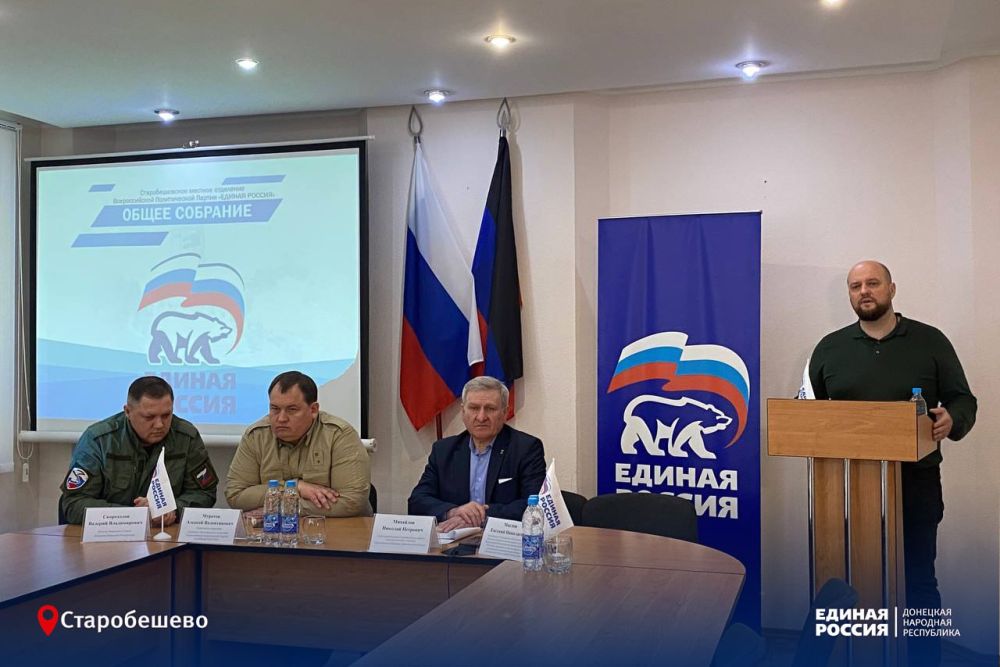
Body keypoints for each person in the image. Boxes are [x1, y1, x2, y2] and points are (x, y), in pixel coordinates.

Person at [808, 260, 976, 667]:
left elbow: (963, 400)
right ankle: (850, 657)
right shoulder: (829, 348)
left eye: (873, 283)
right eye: (855, 286)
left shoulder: (930, 341)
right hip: (844, 488)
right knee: (848, 579)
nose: (864, 291)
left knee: (918, 580)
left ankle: (924, 660)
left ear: (892, 289)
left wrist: (952, 419)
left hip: (915, 485)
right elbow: (808, 410)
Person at [59, 376, 218, 525]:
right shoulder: (99, 440)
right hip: (110, 534)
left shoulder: (187, 437)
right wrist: (133, 516)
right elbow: (74, 503)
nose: (159, 425)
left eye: (166, 415)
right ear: (128, 412)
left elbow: (205, 493)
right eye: (149, 417)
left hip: (165, 534)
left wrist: (172, 509)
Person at [408, 376, 546, 531]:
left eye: (490, 409)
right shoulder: (443, 450)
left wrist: (480, 517)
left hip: (501, 538)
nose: (481, 417)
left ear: (505, 413)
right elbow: (417, 501)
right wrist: (453, 512)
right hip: (453, 539)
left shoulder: (526, 448)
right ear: (463, 412)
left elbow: (535, 504)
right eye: (474, 408)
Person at [225, 371, 371, 516]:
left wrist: (283, 508)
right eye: (275, 409)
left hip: (336, 527)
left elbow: (352, 502)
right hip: (273, 529)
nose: (281, 418)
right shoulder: (256, 436)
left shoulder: (338, 435)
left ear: (313, 410)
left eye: (292, 410)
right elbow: (236, 495)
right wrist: (295, 487)